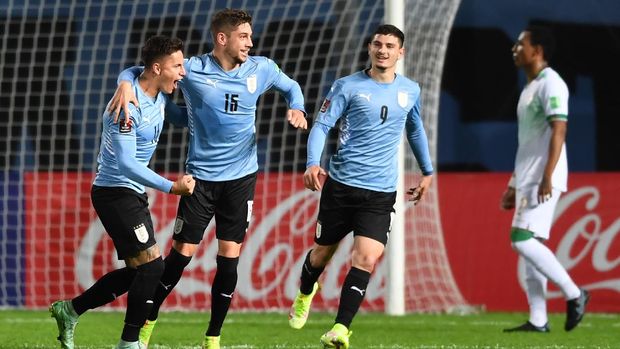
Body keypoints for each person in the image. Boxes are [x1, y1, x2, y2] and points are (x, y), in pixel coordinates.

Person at [108, 8, 307, 349]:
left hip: (242, 177)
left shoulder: (262, 68)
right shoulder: (195, 70)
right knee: (180, 257)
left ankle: (212, 337)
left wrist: (298, 107)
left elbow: (292, 87)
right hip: (200, 179)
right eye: (243, 36)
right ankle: (146, 324)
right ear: (222, 38)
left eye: (250, 36)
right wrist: (125, 83)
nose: (250, 42)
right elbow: (148, 69)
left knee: (229, 259)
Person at [287, 24, 433, 349]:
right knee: (322, 254)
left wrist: (427, 171)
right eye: (378, 44)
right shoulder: (348, 86)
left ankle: (340, 329)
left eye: (390, 46)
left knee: (365, 258)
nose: (383, 51)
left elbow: (415, 129)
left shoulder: (410, 90)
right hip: (340, 187)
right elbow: (322, 124)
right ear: (369, 48)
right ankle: (305, 292)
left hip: (380, 193)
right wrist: (313, 162)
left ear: (401, 52)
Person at [49, 36, 195, 349]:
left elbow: (181, 115)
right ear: (158, 68)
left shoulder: (157, 95)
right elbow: (128, 164)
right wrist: (172, 187)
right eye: (177, 66)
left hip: (132, 193)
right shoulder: (125, 107)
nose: (183, 72)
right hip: (114, 192)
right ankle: (129, 343)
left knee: (138, 272)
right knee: (153, 268)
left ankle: (70, 310)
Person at [501, 25, 589, 333]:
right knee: (531, 242)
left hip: (543, 177)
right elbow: (527, 142)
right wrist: (514, 183)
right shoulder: (529, 88)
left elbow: (559, 130)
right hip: (528, 176)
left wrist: (547, 175)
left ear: (537, 51)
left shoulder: (552, 83)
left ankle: (575, 293)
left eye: (520, 44)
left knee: (521, 240)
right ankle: (538, 319)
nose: (515, 48)